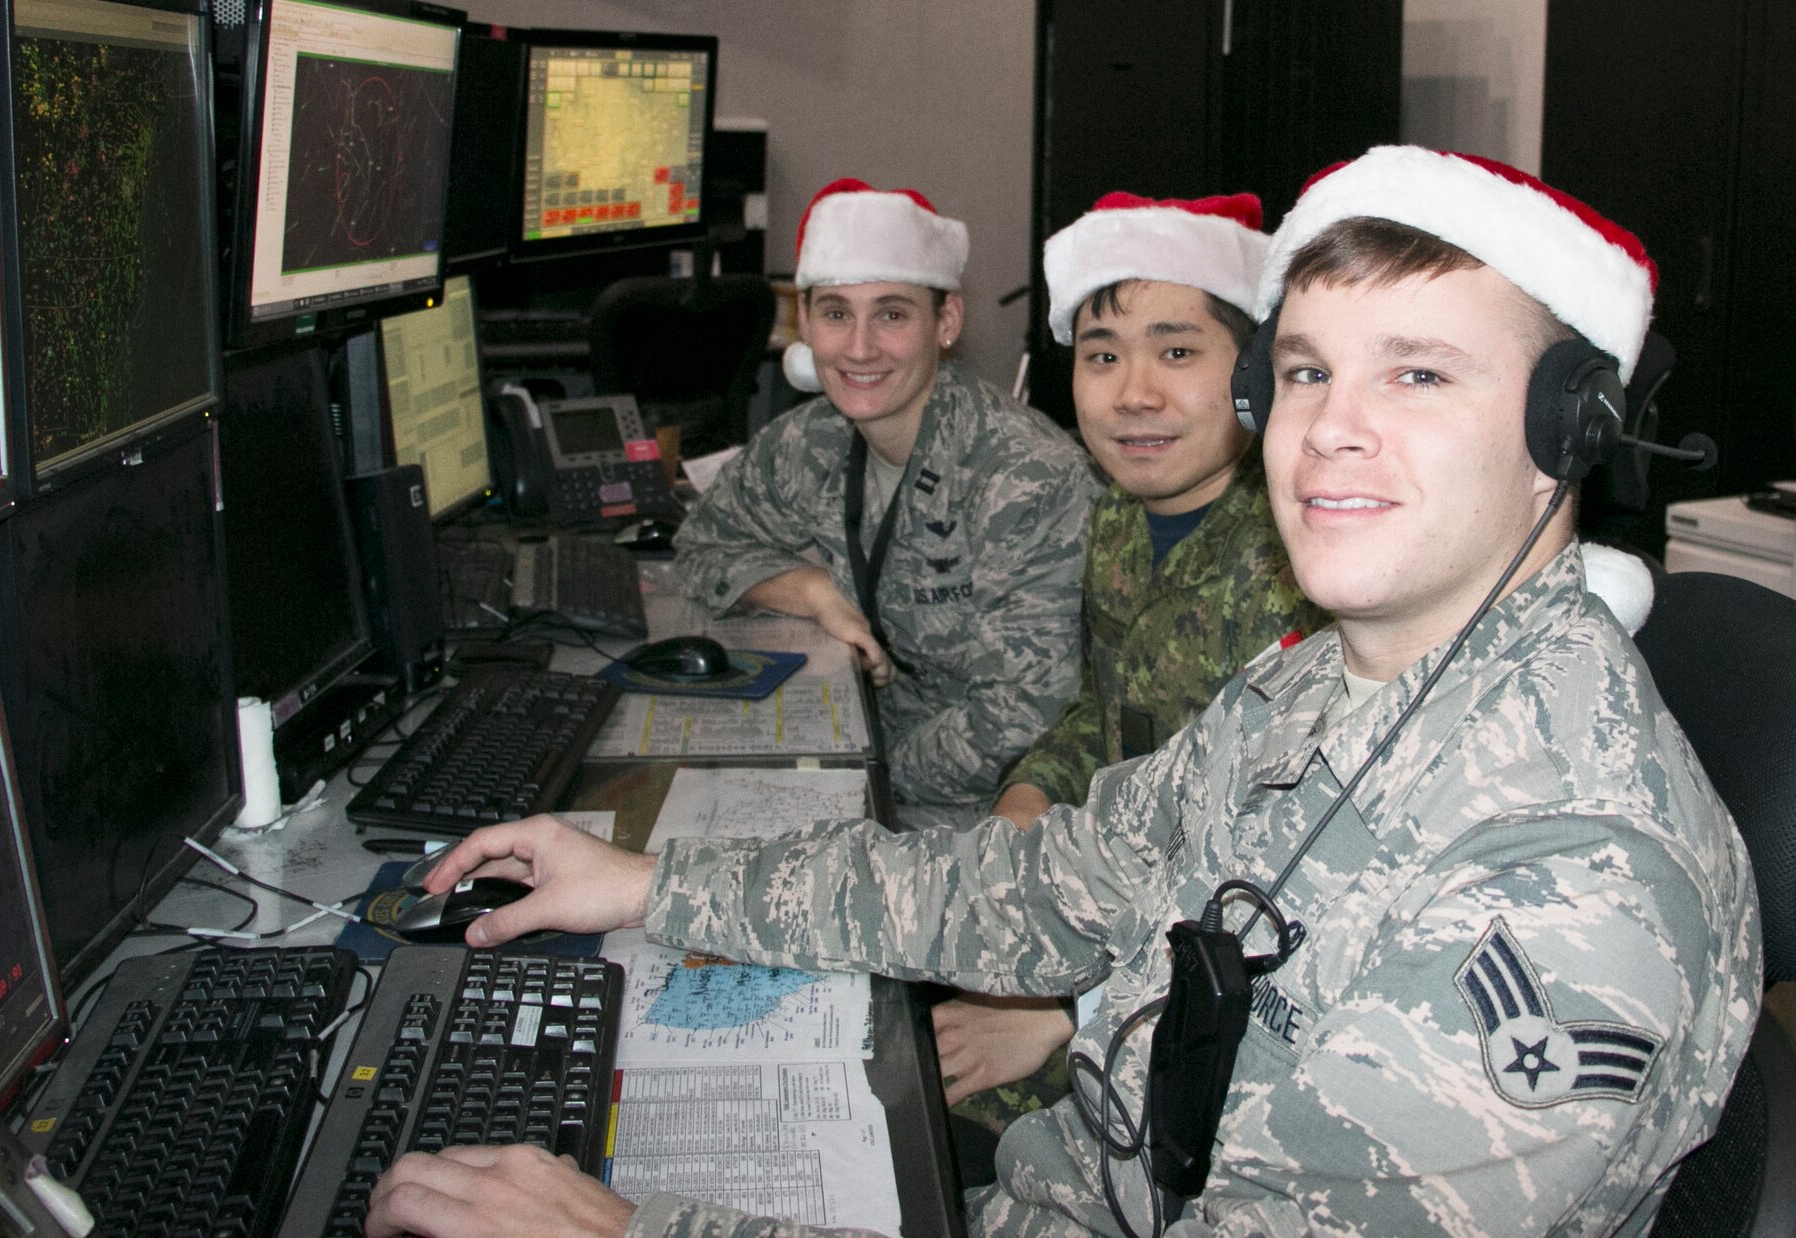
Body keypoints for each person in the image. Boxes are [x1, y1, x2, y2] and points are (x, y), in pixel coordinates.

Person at [366, 147, 1760, 1237]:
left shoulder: (1571, 890)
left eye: (1418, 372)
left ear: (1564, 431)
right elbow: (1033, 888)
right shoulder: (1321, 692)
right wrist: (650, 882)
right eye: (1311, 369)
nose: (1334, 428)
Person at [937, 192, 1329, 1141]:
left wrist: (1070, 1014)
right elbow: (1102, 712)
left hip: (1233, 1018)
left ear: (1257, 371)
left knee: (931, 1124)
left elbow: (1296, 883)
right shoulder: (1119, 515)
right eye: (1103, 355)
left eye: (1178, 351)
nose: (1133, 393)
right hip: (1109, 908)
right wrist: (1028, 795)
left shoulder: (1313, 559)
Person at [670, 178, 1099, 828]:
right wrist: (811, 591)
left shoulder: (1024, 476)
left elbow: (1021, 713)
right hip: (861, 761)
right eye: (836, 313)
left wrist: (854, 772)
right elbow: (703, 545)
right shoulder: (811, 441)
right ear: (805, 321)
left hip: (984, 813)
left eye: (892, 314)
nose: (861, 347)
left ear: (946, 321)